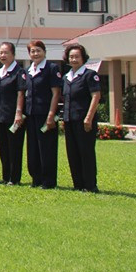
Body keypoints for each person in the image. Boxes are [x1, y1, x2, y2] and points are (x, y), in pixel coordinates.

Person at [61, 44, 101, 192]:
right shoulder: (66, 77)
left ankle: (90, 185)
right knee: (72, 152)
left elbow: (96, 96)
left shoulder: (89, 75)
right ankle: (78, 184)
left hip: (84, 121)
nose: (74, 59)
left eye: (77, 56)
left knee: (86, 152)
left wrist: (89, 118)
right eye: (71, 56)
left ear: (83, 58)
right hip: (69, 119)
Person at [24, 39, 62, 189]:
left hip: (45, 115)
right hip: (31, 114)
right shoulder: (28, 71)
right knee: (32, 148)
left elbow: (56, 94)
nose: (35, 53)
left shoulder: (51, 69)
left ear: (44, 52)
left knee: (46, 148)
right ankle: (36, 179)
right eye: (32, 51)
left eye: (38, 50)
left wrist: (51, 115)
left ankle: (48, 181)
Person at [0, 41, 27, 185]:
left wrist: (18, 113)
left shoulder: (19, 72)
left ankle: (14, 178)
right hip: (1, 115)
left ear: (13, 54)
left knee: (14, 147)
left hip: (13, 116)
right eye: (1, 52)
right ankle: (5, 176)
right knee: (3, 147)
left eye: (6, 52)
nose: (3, 55)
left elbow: (21, 93)